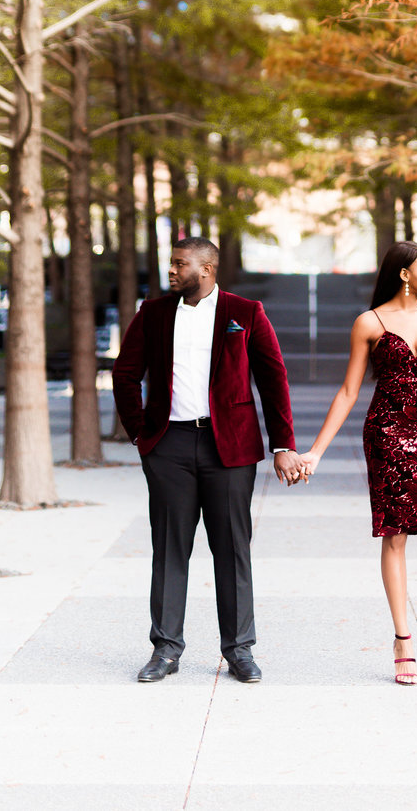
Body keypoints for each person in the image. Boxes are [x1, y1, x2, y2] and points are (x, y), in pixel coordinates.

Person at [112, 236, 303, 685]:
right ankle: (165, 649)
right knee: (170, 549)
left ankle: (239, 650)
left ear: (208, 269)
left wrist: (284, 444)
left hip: (230, 450)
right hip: (169, 446)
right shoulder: (153, 313)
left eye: (180, 264)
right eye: (172, 264)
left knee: (233, 549)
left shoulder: (246, 313)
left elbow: (273, 377)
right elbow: (125, 373)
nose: (172, 271)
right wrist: (142, 435)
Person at [298, 240, 417, 686]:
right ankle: (403, 639)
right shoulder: (369, 323)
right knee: (395, 537)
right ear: (404, 273)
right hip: (388, 438)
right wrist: (315, 451)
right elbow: (348, 392)